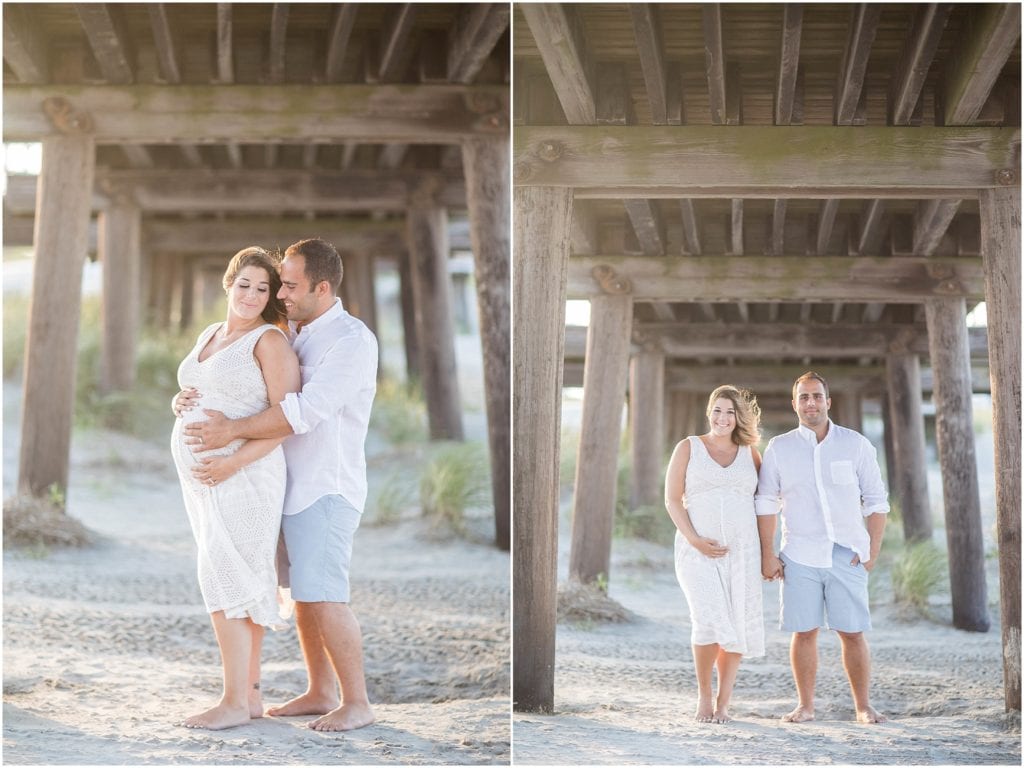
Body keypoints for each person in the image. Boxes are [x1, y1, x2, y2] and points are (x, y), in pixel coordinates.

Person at [176, 238, 378, 732]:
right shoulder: (299, 331)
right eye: (275, 284)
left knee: (325, 594)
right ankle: (319, 690)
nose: (278, 294)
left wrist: (231, 435)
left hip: (323, 486)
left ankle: (356, 702)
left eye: (287, 285)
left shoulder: (350, 341)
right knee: (302, 593)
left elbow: (302, 412)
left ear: (322, 287)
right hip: (285, 483)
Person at [170, 246, 301, 730]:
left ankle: (231, 701)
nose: (251, 294)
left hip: (246, 475)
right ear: (228, 284)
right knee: (237, 577)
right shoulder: (211, 333)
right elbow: (208, 390)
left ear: (270, 297)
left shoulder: (270, 341)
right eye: (244, 284)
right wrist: (178, 401)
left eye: (263, 288)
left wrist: (232, 463)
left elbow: (287, 419)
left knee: (227, 576)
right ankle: (247, 698)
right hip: (206, 484)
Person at [755, 371, 889, 724]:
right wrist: (768, 554)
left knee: (852, 632)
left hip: (847, 552)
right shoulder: (780, 448)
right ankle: (805, 705)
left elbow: (877, 501)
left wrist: (872, 549)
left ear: (828, 401)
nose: (811, 403)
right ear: (794, 403)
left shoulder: (856, 444)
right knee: (804, 631)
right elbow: (766, 501)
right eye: (804, 397)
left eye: (817, 396)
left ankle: (862, 705)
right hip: (799, 553)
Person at [664, 385, 765, 724]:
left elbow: (766, 502)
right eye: (717, 410)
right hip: (697, 552)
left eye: (730, 412)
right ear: (709, 412)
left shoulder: (750, 452)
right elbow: (672, 500)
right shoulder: (689, 447)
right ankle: (704, 697)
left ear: (739, 417)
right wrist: (694, 539)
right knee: (706, 619)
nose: (723, 418)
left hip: (743, 554)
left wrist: (769, 553)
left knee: (736, 622)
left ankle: (724, 703)